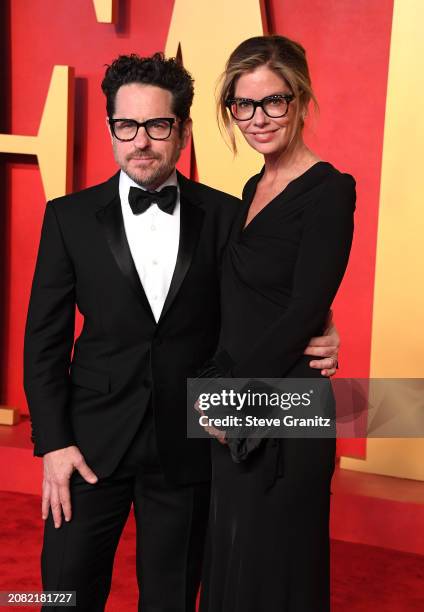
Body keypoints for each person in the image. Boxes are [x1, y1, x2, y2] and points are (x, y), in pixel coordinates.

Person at [24, 52, 340, 611]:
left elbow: (256, 300)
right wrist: (53, 442)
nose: (140, 141)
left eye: (158, 125)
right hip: (89, 444)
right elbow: (43, 342)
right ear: (110, 129)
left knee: (171, 600)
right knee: (62, 595)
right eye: (127, 125)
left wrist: (321, 325)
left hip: (190, 445)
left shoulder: (227, 214)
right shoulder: (67, 217)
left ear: (184, 130)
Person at [198, 36, 356, 612]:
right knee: (234, 552)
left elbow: (302, 310)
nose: (258, 118)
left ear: (301, 99)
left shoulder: (331, 191)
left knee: (277, 564)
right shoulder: (250, 190)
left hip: (287, 408)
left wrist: (226, 397)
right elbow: (250, 299)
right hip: (233, 400)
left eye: (274, 102)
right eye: (244, 105)